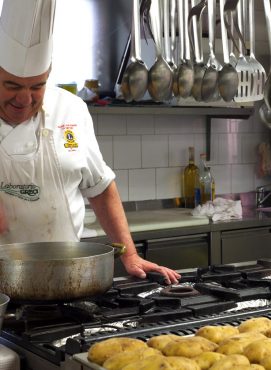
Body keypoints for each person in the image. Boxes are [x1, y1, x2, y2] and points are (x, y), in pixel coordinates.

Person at [0, 0, 180, 284]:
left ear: (48, 76)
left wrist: (129, 254)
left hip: (65, 279)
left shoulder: (71, 110)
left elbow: (100, 185)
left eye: (37, 86)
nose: (25, 99)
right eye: (12, 86)